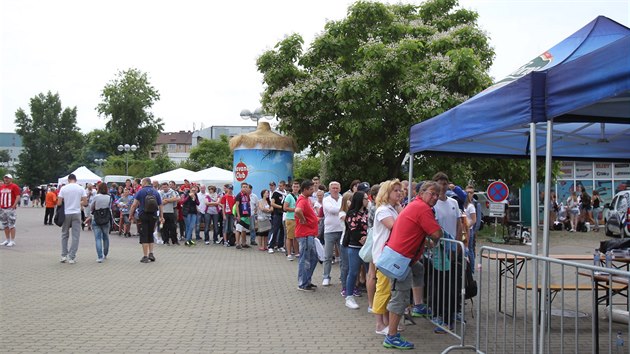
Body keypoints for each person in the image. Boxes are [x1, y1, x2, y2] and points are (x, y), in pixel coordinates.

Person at [382, 181, 442, 350]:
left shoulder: (415, 204)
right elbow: (436, 233)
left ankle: (418, 305)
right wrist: (438, 233)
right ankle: (391, 336)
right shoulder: (422, 208)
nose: (435, 197)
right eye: (432, 193)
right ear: (421, 193)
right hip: (399, 258)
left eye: (437, 194)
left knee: (419, 269)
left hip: (402, 256)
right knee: (400, 297)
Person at [371, 179, 402, 335]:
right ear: (387, 193)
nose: (399, 193)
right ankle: (379, 324)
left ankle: (387, 322)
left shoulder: (393, 208)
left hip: (391, 255)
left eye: (399, 190)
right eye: (395, 190)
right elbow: (395, 226)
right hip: (384, 256)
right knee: (383, 290)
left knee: (389, 290)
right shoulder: (383, 210)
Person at [343, 191, 369, 309]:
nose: (367, 200)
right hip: (355, 246)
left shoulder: (367, 212)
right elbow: (353, 229)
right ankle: (349, 297)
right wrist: (362, 238)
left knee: (370, 272)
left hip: (367, 246)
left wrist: (368, 238)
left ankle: (372, 299)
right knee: (353, 272)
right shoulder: (352, 213)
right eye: (365, 198)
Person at [128, 178, 164, 263]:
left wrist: (130, 215)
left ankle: (145, 256)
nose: (141, 184)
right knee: (150, 233)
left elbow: (134, 205)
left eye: (142, 182)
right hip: (153, 215)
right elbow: (161, 205)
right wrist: (161, 216)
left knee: (144, 235)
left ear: (145, 182)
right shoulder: (155, 192)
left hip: (143, 215)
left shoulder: (140, 191)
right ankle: (151, 253)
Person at [294, 180, 319, 291]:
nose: (313, 191)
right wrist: (303, 219)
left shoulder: (306, 200)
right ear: (305, 189)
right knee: (306, 258)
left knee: (312, 257)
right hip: (305, 233)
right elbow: (298, 210)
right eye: (311, 189)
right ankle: (303, 283)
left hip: (309, 233)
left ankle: (306, 280)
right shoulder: (302, 200)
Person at [57, 174, 87, 263]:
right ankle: (72, 257)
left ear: (68, 180)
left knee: (64, 234)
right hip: (76, 213)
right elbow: (85, 202)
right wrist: (78, 203)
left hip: (66, 213)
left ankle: (63, 255)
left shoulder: (64, 188)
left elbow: (59, 203)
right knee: (75, 236)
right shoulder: (80, 188)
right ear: (76, 180)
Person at [322, 181, 343, 286]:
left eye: (337, 188)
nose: (335, 190)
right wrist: (343, 209)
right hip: (329, 230)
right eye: (333, 188)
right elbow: (331, 210)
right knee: (328, 256)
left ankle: (342, 276)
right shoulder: (326, 200)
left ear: (339, 189)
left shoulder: (343, 199)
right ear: (329, 190)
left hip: (342, 230)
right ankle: (326, 276)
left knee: (343, 256)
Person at [86, 182, 112, 262]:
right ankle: (105, 253)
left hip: (96, 218)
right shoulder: (109, 197)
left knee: (98, 238)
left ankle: (100, 256)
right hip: (106, 218)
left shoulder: (96, 197)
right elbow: (110, 207)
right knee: (106, 237)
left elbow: (91, 207)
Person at [0, 174, 21, 247]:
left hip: (10, 208)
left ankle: (12, 240)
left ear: (11, 179)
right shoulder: (2, 187)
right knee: (5, 225)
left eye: (8, 178)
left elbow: (18, 196)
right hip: (2, 208)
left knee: (11, 224)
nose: (6, 179)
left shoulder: (14, 186)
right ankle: (7, 239)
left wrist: (14, 206)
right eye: (5, 178)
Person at [268, 180, 286, 253]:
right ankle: (271, 246)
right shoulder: (275, 193)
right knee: (275, 230)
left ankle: (280, 245)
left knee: (282, 230)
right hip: (277, 214)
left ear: (284, 186)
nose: (279, 187)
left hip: (283, 214)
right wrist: (281, 207)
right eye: (279, 185)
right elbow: (272, 203)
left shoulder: (285, 194)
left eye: (281, 186)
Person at [283, 181, 300, 260]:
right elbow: (285, 208)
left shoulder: (300, 196)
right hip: (290, 219)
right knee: (289, 237)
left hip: (298, 219)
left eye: (297, 187)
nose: (296, 188)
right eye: (294, 187)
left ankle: (296, 253)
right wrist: (295, 209)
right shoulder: (289, 196)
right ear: (292, 187)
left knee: (296, 237)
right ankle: (289, 254)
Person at [234, 182, 252, 249]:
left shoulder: (247, 195)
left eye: (246, 187)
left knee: (244, 230)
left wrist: (249, 214)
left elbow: (248, 205)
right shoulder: (239, 195)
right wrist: (238, 215)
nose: (245, 188)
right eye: (243, 187)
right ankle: (237, 243)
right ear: (241, 188)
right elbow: (237, 206)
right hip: (240, 215)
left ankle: (244, 243)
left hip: (246, 215)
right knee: (238, 229)